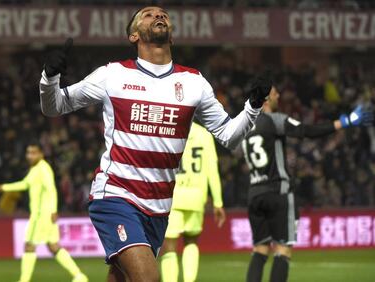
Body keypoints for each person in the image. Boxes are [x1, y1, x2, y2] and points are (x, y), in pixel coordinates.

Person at [39, 6, 271, 282]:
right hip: (116, 195)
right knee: (148, 278)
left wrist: (253, 106)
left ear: (171, 37)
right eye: (148, 14)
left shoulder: (193, 82)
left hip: (160, 207)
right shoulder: (112, 75)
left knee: (121, 277)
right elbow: (55, 106)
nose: (158, 16)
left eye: (163, 14)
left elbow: (228, 135)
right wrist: (49, 78)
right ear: (134, 36)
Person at [242, 86, 373, 282]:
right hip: (278, 191)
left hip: (255, 193)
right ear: (266, 100)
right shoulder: (274, 120)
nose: (279, 95)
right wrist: (344, 122)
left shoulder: (245, 125)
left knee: (260, 250)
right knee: (283, 250)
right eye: (275, 93)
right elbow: (306, 131)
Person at [0, 142, 88, 282]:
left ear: (41, 154)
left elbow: (51, 189)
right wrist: (3, 188)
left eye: (33, 152)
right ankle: (79, 276)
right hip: (45, 213)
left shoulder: (43, 169)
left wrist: (53, 210)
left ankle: (24, 280)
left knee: (29, 245)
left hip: (42, 214)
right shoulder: (35, 169)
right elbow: (24, 184)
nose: (29, 156)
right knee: (53, 246)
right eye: (28, 152)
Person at [160, 122, 226, 282]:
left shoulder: (167, 131)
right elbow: (212, 170)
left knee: (169, 245)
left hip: (172, 196)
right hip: (196, 196)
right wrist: (218, 202)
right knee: (191, 241)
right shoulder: (204, 134)